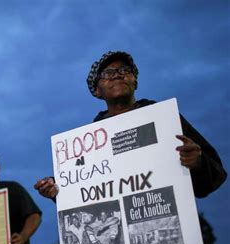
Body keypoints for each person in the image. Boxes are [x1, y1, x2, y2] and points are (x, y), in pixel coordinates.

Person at [35, 51, 227, 200]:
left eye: (125, 70)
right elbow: (83, 193)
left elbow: (214, 177)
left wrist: (198, 163)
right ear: (97, 91)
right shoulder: (90, 140)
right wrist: (55, 189)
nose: (117, 75)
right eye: (108, 73)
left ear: (135, 81)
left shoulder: (163, 118)